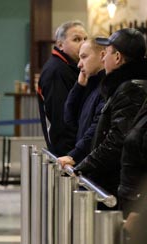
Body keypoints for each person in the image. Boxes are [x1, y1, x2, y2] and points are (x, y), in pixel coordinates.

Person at [74, 28, 147, 197]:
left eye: (106, 53)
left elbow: (117, 140)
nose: (103, 57)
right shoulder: (125, 86)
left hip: (117, 184)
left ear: (117, 57)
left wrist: (83, 166)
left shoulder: (129, 89)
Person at [38, 20, 88, 156]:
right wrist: (72, 154)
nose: (83, 43)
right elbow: (61, 118)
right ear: (60, 45)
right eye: (77, 39)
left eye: (85, 39)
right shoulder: (57, 71)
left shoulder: (71, 67)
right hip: (67, 150)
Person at [57, 38, 106, 168]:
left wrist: (75, 155)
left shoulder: (107, 88)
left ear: (102, 56)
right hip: (87, 163)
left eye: (84, 57)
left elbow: (97, 129)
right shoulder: (92, 86)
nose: (79, 64)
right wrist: (79, 87)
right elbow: (70, 120)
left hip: (96, 167)